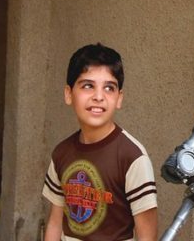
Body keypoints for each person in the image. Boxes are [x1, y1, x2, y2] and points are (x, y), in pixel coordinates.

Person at [42, 43, 157, 241]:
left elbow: (147, 235)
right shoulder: (61, 153)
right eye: (88, 86)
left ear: (119, 98)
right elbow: (54, 222)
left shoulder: (132, 157)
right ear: (69, 94)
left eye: (109, 88)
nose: (98, 97)